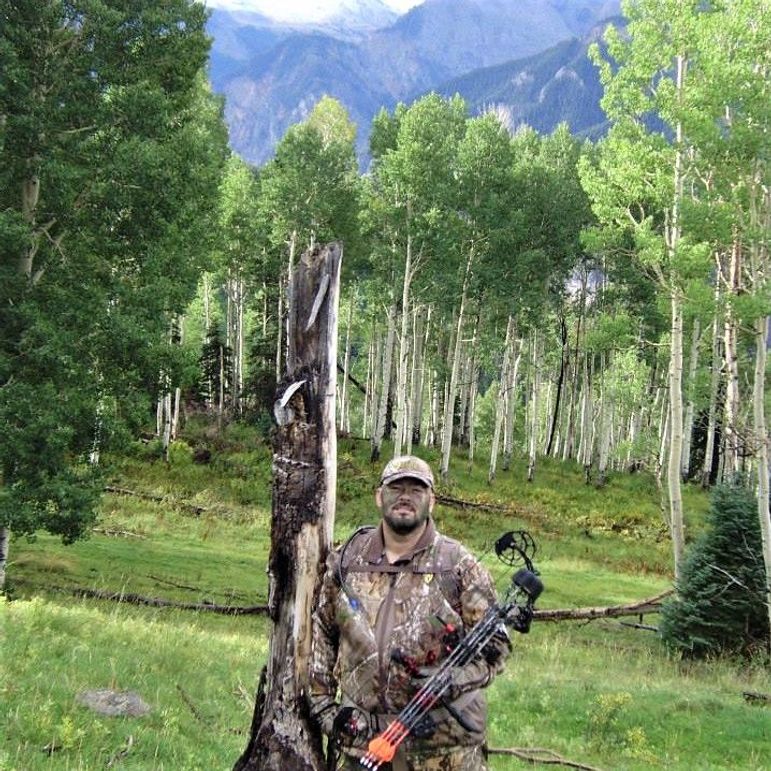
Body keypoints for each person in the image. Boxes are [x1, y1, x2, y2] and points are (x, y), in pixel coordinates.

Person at [308, 455, 510, 771]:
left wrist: (454, 680)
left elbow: (496, 650)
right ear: (379, 496)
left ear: (432, 500)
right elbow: (322, 631)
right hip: (361, 747)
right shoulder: (347, 560)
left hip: (443, 752)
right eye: (396, 488)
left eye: (416, 490)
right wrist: (324, 709)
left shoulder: (458, 565)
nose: (405, 497)